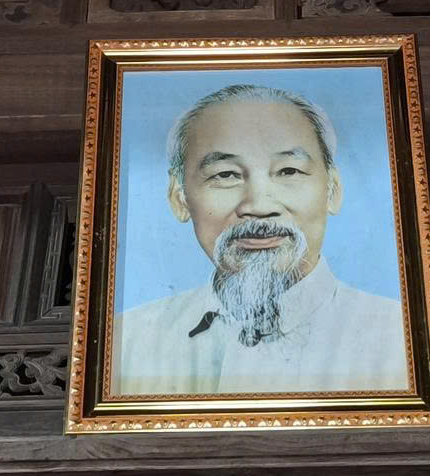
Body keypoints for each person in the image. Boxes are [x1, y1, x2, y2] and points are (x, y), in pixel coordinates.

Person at [110, 82, 410, 396]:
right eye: (225, 174)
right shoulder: (124, 343)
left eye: (289, 171)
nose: (258, 206)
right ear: (178, 197)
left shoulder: (399, 340)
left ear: (333, 190)